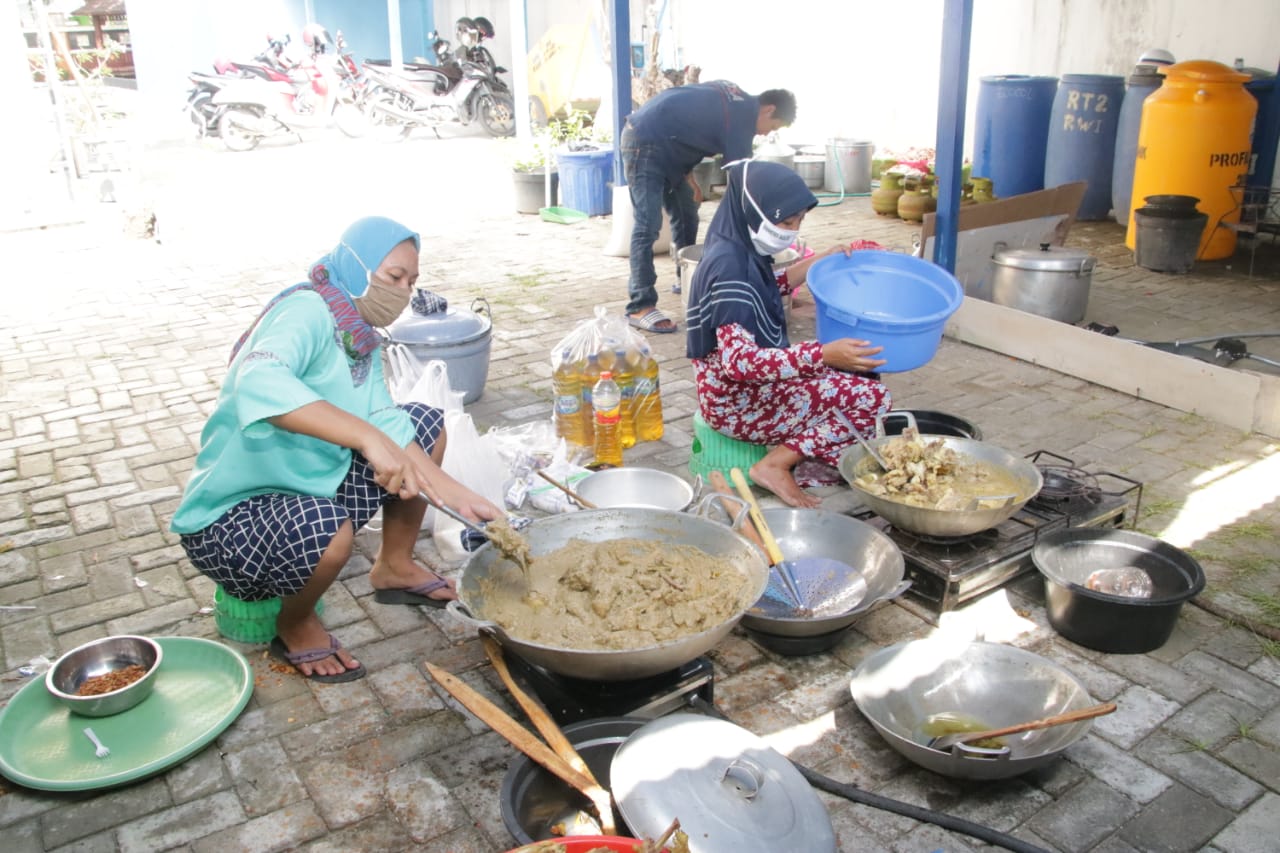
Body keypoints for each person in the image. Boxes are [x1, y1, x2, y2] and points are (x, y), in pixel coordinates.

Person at [171, 216, 502, 682]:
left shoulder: (357, 333)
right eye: (393, 277)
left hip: (307, 483)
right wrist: (366, 438)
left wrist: (453, 492)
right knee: (330, 531)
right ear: (355, 265)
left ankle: (395, 569)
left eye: (412, 281)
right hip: (230, 520)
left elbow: (385, 417)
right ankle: (294, 623)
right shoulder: (306, 311)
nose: (404, 292)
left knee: (422, 425)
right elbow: (257, 382)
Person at [685, 160, 892, 508]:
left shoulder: (738, 248)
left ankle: (805, 456)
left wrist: (822, 259)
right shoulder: (730, 268)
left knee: (860, 372)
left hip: (738, 389)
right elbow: (740, 364)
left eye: (799, 222)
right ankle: (775, 465)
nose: (792, 231)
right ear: (753, 210)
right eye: (785, 222)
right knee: (872, 399)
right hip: (736, 403)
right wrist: (822, 354)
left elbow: (771, 285)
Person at [621, 81, 797, 334]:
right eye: (772, 127)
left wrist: (688, 175)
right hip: (644, 143)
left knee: (687, 213)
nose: (765, 134)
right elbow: (741, 185)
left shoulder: (737, 99)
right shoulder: (741, 118)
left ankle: (688, 281)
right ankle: (640, 305)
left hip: (669, 149)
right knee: (648, 225)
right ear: (768, 110)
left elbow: (688, 122)